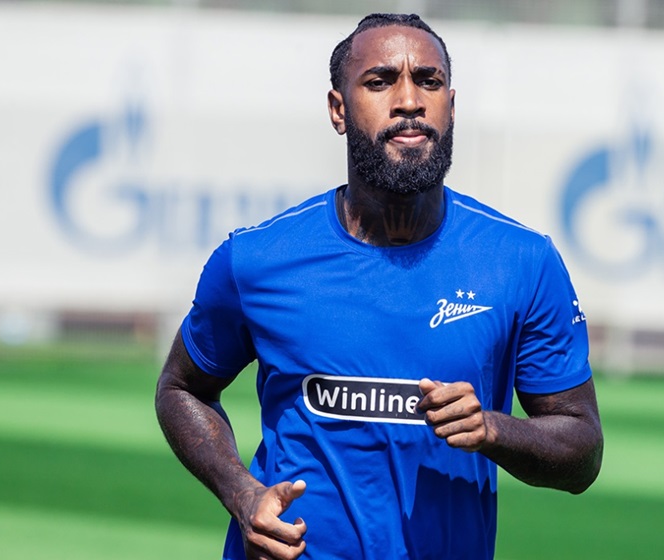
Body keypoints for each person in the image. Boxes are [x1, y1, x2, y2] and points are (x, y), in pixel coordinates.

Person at [156, 12, 603, 560]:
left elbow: (582, 452)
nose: (409, 100)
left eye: (429, 81)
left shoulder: (522, 262)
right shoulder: (255, 259)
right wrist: (241, 493)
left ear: (452, 107)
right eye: (380, 81)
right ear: (338, 109)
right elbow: (182, 389)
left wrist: (493, 428)